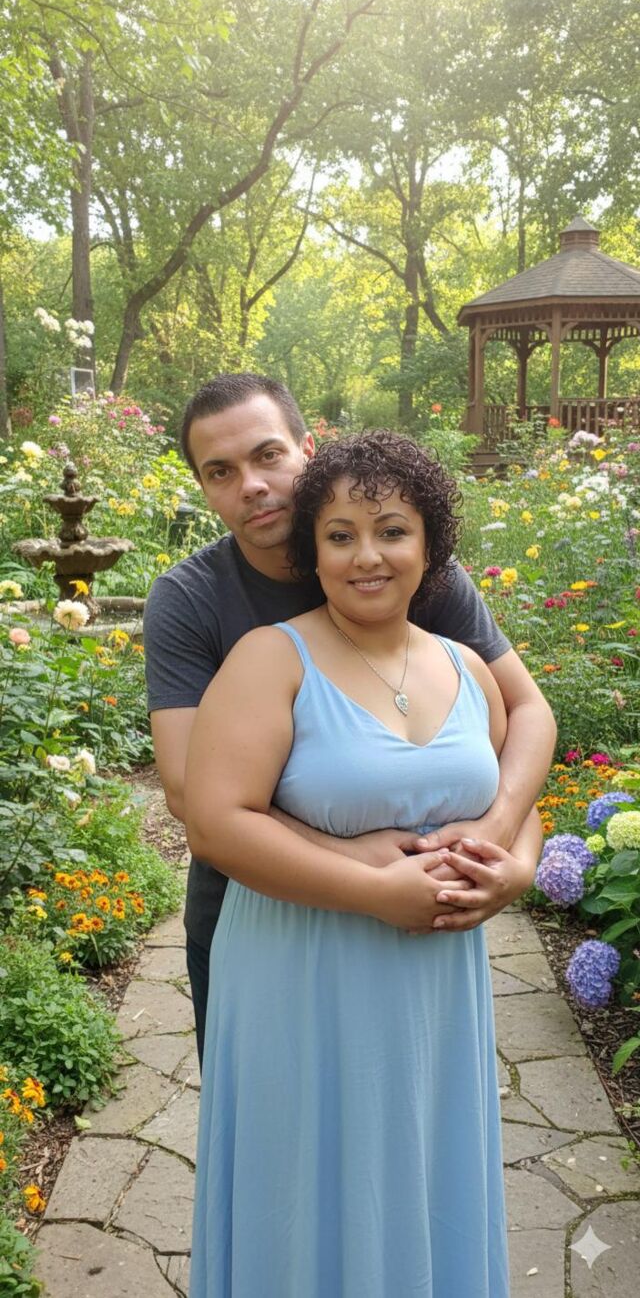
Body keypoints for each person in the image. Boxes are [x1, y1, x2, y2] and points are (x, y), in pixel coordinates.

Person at [185, 431, 544, 1296]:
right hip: (301, 977)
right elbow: (216, 823)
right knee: (304, 1191)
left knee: (425, 1177)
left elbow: (517, 799)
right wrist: (375, 891)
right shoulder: (270, 659)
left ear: (430, 546)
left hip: (435, 994)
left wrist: (518, 867)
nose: (367, 556)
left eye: (391, 531)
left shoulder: (466, 667)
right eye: (340, 535)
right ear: (313, 553)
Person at [144, 372, 556, 1067]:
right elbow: (191, 793)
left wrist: (498, 840)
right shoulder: (191, 599)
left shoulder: (409, 572)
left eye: (267, 455)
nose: (251, 485)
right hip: (263, 905)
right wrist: (360, 863)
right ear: (204, 488)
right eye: (221, 471)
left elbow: (525, 709)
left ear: (306, 450)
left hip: (425, 912)